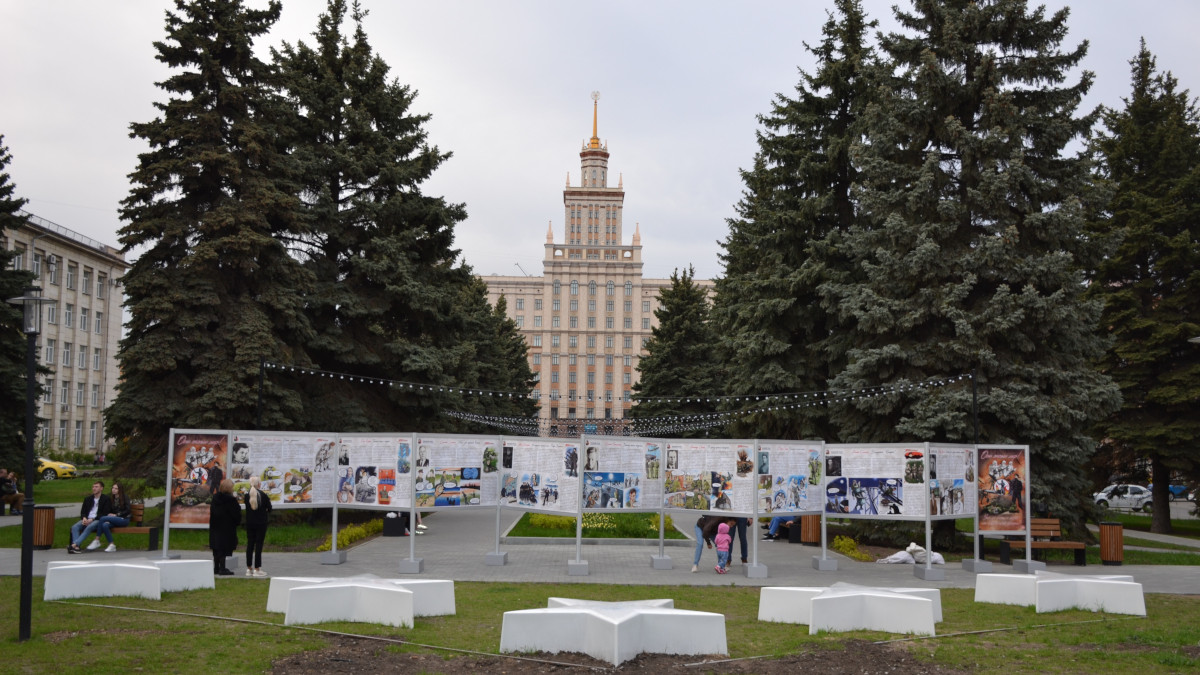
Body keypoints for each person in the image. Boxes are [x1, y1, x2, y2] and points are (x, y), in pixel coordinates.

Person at [68, 480, 112, 553]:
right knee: (75, 527)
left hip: (98, 520)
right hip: (87, 519)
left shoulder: (106, 499)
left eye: (96, 487)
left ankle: (74, 545)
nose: (94, 488)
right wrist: (84, 518)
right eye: (93, 487)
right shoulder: (88, 499)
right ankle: (76, 547)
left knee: (90, 526)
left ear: (101, 488)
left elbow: (105, 513)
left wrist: (92, 519)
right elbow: (83, 512)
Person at [209, 478, 241, 576]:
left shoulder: (215, 498)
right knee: (224, 547)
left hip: (215, 526)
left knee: (216, 547)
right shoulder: (231, 500)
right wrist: (237, 522)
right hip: (227, 527)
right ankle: (222, 568)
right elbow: (236, 514)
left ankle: (216, 567)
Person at [243, 475, 272, 577]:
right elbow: (269, 508)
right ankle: (257, 568)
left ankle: (248, 568)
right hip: (261, 523)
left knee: (250, 544)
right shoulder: (263, 495)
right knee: (259, 545)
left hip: (250, 523)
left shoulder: (247, 495)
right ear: (259, 484)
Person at [94, 482, 132, 552]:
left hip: (124, 519)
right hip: (115, 519)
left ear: (120, 490)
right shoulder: (112, 498)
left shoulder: (125, 497)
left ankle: (97, 539)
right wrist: (110, 515)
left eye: (116, 488)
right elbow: (111, 510)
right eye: (113, 488)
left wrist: (117, 515)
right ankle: (111, 545)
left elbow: (128, 510)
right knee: (105, 525)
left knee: (102, 518)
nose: (113, 490)